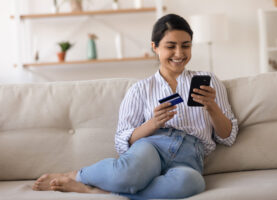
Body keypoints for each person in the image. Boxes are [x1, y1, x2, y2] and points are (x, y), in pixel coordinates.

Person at [33, 13, 238, 199]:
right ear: (155, 47)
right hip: (151, 147)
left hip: (191, 154)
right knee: (129, 174)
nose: (179, 53)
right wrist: (153, 123)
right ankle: (78, 175)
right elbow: (122, 142)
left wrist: (212, 107)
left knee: (192, 183)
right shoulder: (139, 90)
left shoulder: (209, 80)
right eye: (170, 46)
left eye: (186, 45)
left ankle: (100, 190)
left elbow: (228, 137)